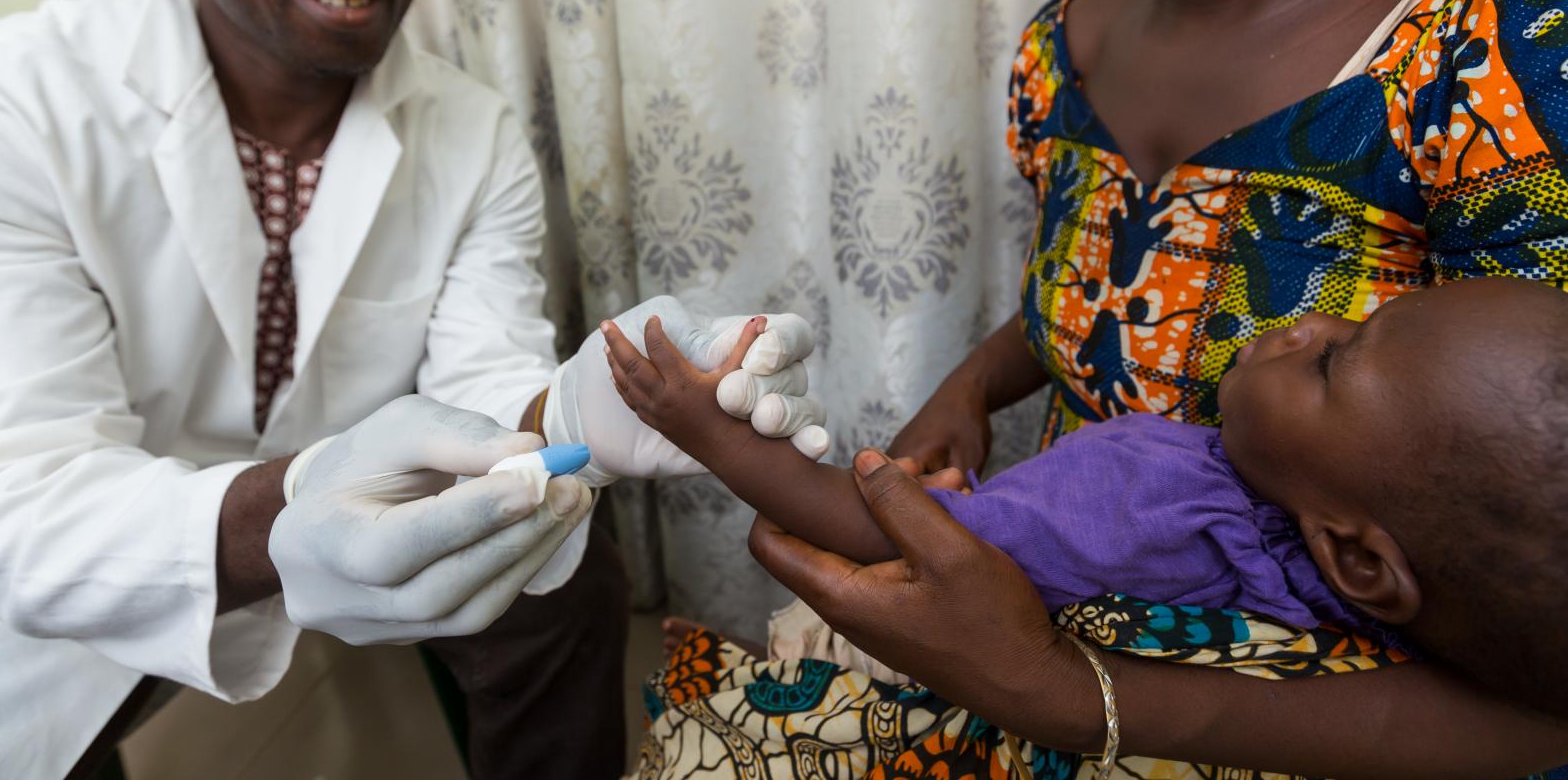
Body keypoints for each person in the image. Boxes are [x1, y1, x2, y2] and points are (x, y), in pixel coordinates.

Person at [0, 0, 826, 778]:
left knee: (566, 574)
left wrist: (580, 410)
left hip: (369, 521)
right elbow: (9, 503)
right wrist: (294, 497)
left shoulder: (470, 132)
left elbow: (483, 374)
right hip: (62, 588)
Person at [732, 0, 1568, 775]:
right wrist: (973, 386)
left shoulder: (1516, 25)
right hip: (1046, 625)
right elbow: (1107, 280)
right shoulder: (1058, 51)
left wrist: (1074, 699)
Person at [604, 277, 1568, 775]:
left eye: (1333, 363)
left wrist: (706, 429)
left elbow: (876, 530)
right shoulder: (1353, 578)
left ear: (1356, 555)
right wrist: (973, 393)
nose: (1310, 322)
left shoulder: (1158, 510)